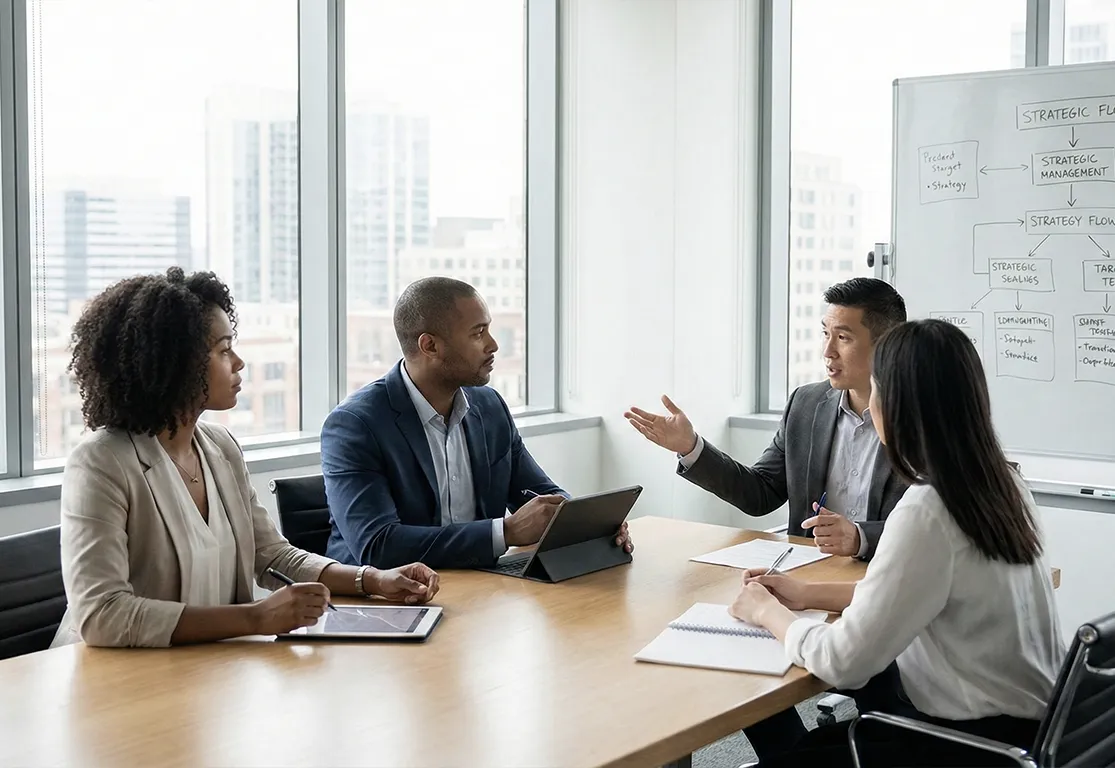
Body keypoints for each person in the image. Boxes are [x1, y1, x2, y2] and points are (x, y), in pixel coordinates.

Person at [727, 319, 1065, 767]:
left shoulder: (928, 509)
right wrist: (805, 594)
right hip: (1029, 736)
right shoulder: (1000, 484)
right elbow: (920, 591)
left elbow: (843, 662)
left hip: (962, 747)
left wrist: (768, 612)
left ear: (898, 406)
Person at [53, 268, 440, 649]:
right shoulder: (101, 462)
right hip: (116, 683)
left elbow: (272, 555)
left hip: (208, 672)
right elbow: (102, 614)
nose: (238, 363)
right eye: (223, 350)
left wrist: (373, 580)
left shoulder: (219, 447)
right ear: (176, 363)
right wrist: (256, 617)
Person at [322, 277, 632, 570]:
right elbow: (377, 546)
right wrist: (505, 532)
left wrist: (588, 526)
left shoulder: (489, 406)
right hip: (385, 606)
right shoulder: (355, 425)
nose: (493, 344)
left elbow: (539, 495)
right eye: (477, 333)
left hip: (477, 589)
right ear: (430, 346)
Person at [625, 277, 908, 560]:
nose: (827, 351)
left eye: (843, 337)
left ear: (886, 344)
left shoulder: (927, 416)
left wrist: (860, 538)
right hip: (808, 573)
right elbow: (760, 493)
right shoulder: (806, 404)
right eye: (825, 333)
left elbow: (940, 523)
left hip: (894, 574)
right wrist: (690, 447)